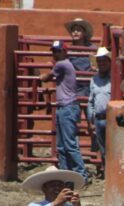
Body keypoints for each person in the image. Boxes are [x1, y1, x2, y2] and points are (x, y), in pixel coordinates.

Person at [41, 41, 90, 184]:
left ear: (64, 52)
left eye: (57, 51)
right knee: (63, 145)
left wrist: (39, 76)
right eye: (53, 51)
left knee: (68, 144)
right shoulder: (65, 64)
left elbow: (46, 77)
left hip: (67, 107)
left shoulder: (62, 64)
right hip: (65, 107)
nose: (55, 54)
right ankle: (67, 175)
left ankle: (81, 175)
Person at [87, 47, 111, 179]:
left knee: (112, 149)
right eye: (99, 61)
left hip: (110, 119)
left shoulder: (114, 79)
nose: (101, 64)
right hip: (98, 119)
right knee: (103, 150)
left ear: (109, 62)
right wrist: (90, 121)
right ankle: (107, 175)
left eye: (104, 61)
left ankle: (111, 175)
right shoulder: (93, 80)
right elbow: (91, 101)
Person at [64, 18, 97, 99]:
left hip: (89, 84)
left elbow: (96, 66)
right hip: (74, 85)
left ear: (84, 33)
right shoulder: (68, 49)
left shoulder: (92, 48)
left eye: (78, 30)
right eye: (73, 30)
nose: (75, 32)